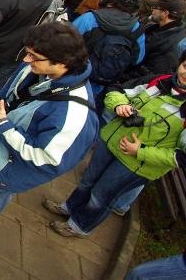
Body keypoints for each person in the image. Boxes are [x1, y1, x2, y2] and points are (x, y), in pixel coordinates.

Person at [0, 22, 99, 236]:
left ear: (62, 63)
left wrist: (3, 126)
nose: (26, 60)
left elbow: (45, 157)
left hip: (0, 174)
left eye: (33, 57)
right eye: (27, 53)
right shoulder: (37, 69)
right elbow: (8, 93)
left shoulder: (74, 114)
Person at [43, 54, 186, 238]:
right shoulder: (160, 81)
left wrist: (141, 151)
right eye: (185, 65)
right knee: (88, 181)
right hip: (112, 142)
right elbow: (117, 89)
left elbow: (181, 157)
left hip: (136, 164)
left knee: (101, 196)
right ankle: (70, 207)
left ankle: (79, 226)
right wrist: (119, 105)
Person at [72, 0, 145, 105]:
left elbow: (64, 44)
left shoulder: (90, 18)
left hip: (74, 77)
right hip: (104, 85)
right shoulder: (137, 28)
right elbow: (137, 59)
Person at [124, 0, 186, 80]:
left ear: (165, 13)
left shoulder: (171, 45)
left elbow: (150, 73)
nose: (152, 10)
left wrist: (120, 78)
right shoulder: (153, 27)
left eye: (155, 8)